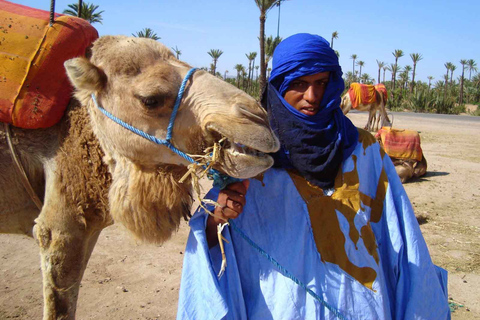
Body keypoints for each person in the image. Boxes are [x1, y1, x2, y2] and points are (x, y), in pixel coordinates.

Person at [177, 33, 450, 320]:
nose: (312, 96)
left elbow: (402, 241)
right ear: (279, 87)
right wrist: (217, 217)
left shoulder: (365, 150)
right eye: (299, 84)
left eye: (321, 83)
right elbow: (211, 242)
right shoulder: (250, 156)